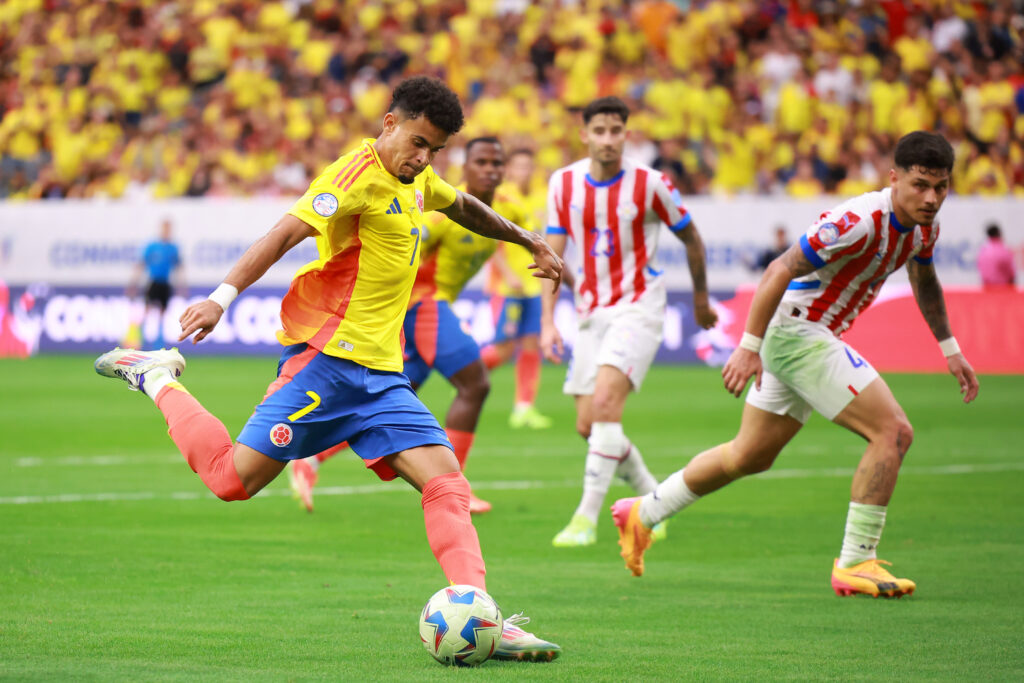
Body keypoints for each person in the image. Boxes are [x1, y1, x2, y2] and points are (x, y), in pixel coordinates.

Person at [94, 77, 562, 661]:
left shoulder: (417, 181)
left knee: (447, 485)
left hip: (383, 379)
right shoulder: (354, 176)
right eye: (417, 142)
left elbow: (462, 205)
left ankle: (481, 618)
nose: (423, 158)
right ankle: (157, 375)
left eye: (435, 150)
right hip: (325, 365)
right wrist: (221, 297)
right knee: (229, 480)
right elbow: (286, 233)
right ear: (389, 122)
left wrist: (528, 239)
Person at [612, 131, 980, 598]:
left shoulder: (925, 227)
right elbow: (779, 270)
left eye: (941, 187)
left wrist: (950, 348)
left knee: (749, 456)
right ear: (895, 178)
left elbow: (924, 278)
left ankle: (643, 512)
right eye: (920, 185)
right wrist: (748, 345)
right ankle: (856, 560)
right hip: (796, 332)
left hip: (805, 336)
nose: (931, 198)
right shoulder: (859, 219)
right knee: (893, 432)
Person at [288, 137, 529, 515]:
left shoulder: (510, 211)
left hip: (433, 308)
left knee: (386, 397)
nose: (490, 170)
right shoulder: (440, 214)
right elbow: (404, 249)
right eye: (481, 162)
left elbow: (500, 247)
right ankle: (456, 488)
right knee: (475, 383)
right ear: (464, 168)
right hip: (422, 305)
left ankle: (311, 458)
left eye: (497, 163)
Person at [541, 96, 718, 547]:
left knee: (604, 406)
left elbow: (692, 238)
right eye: (598, 131)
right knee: (589, 425)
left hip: (639, 306)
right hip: (591, 308)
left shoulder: (652, 183)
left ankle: (586, 519)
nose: (607, 140)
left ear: (626, 134)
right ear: (584, 135)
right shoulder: (563, 184)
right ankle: (652, 503)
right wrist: (548, 321)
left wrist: (700, 299)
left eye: (615, 131)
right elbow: (552, 258)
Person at [479, 148, 553, 429]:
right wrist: (508, 274)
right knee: (504, 349)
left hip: (534, 285)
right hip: (506, 287)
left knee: (532, 343)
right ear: (509, 169)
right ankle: (467, 374)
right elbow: (490, 240)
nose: (524, 171)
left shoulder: (539, 197)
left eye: (528, 166)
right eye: (518, 166)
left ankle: (524, 408)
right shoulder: (501, 197)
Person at [127, 217, 184, 349]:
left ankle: (158, 342)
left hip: (165, 283)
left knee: (162, 313)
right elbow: (141, 264)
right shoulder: (152, 246)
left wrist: (182, 285)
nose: (166, 231)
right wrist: (133, 283)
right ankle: (139, 339)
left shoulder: (173, 248)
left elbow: (179, 266)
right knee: (147, 310)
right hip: (153, 282)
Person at [976, 223, 1016, 288]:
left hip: (987, 290)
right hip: (1004, 290)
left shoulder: (983, 252)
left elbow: (982, 273)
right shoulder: (1005, 250)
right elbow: (1011, 274)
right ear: (999, 233)